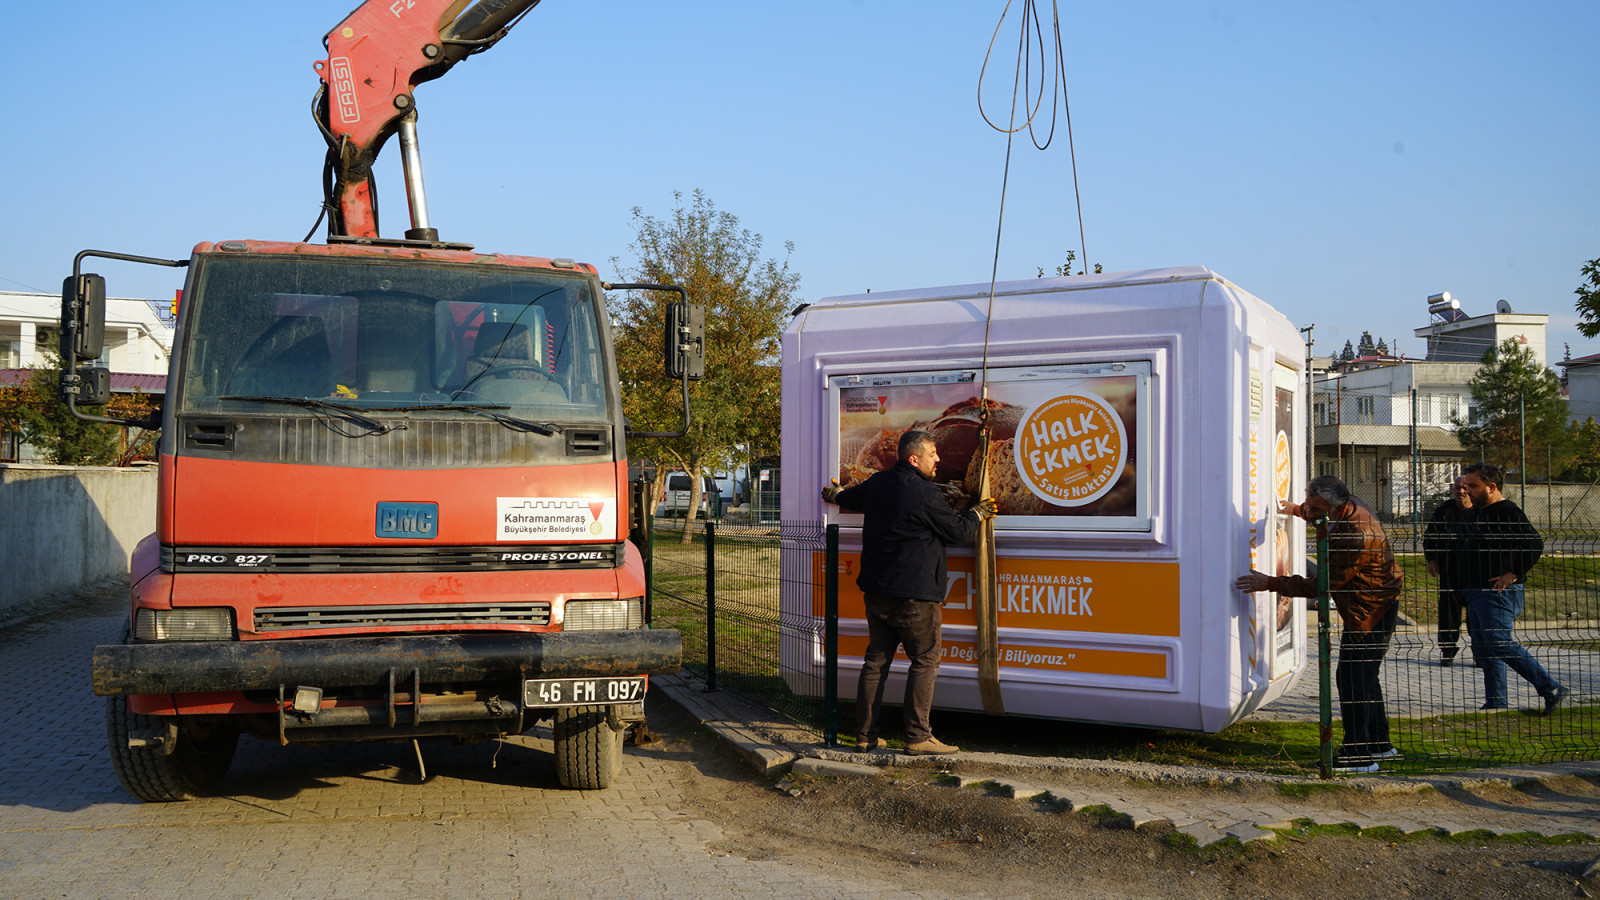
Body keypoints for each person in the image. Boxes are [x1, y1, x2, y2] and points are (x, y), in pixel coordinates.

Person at [822, 429, 996, 755]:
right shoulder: (925, 493)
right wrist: (977, 512)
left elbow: (850, 498)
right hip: (915, 596)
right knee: (925, 661)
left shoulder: (878, 482)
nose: (938, 459)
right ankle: (918, 736)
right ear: (914, 459)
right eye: (932, 454)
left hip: (877, 592)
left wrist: (835, 494)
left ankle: (865, 735)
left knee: (876, 662)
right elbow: (956, 531)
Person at [1235, 476, 1402, 774]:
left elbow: (1322, 584)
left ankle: (1358, 756)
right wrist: (1294, 509)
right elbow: (1318, 515)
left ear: (1334, 507)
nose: (1310, 512)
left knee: (1352, 680)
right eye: (1308, 504)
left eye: (1315, 507)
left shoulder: (1356, 535)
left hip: (1371, 611)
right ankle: (1378, 743)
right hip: (1376, 603)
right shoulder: (1345, 508)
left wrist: (1270, 582)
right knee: (1364, 677)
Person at [1456, 462, 1570, 714]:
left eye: (1473, 486)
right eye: (1466, 485)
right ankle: (1496, 702)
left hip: (1496, 592)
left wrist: (1513, 574)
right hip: (1477, 592)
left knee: (1498, 642)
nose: (1467, 490)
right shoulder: (1484, 512)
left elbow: (1534, 543)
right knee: (1486, 649)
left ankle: (1550, 687)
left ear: (1491, 487)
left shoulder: (1507, 512)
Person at [1422, 477, 1475, 666]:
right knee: (1448, 614)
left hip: (1476, 573)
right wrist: (1432, 559)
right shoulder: (1444, 511)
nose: (1461, 491)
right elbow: (1430, 537)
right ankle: (1447, 651)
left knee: (1476, 615)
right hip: (1450, 569)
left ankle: (1480, 652)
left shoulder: (1482, 511)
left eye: (1465, 488)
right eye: (1457, 488)